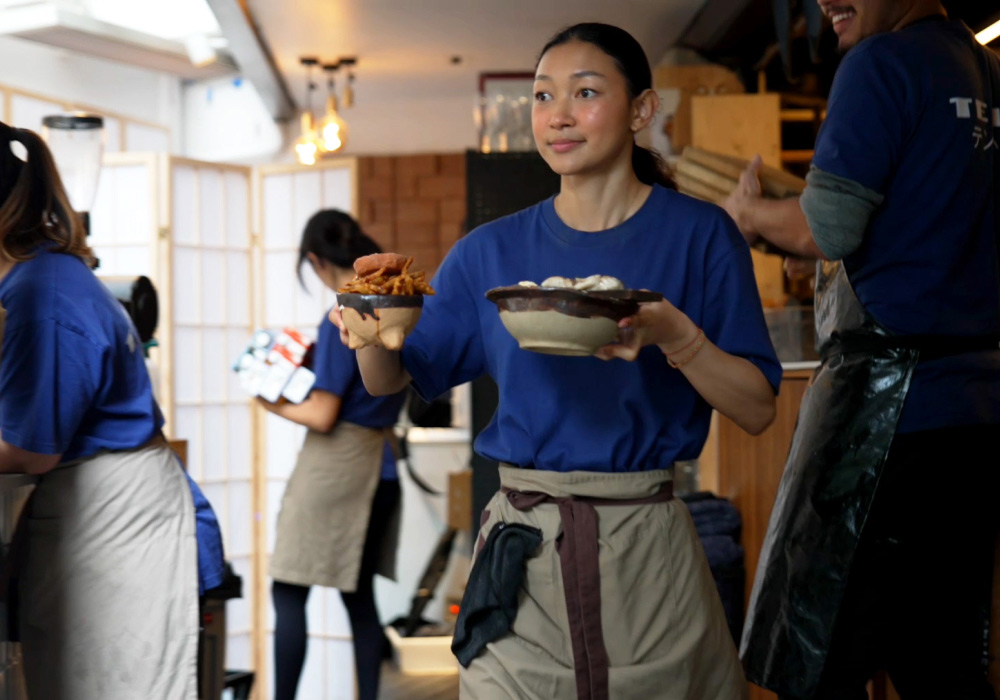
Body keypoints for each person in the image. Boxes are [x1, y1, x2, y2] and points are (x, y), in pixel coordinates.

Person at [332, 23, 782, 700]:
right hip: (522, 555)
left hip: (647, 555)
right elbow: (399, 375)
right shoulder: (489, 252)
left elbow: (756, 406)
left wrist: (674, 335)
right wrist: (372, 333)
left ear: (641, 110)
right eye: (543, 97)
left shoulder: (700, 235)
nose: (558, 115)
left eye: (586, 92)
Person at [722, 2, 1000, 698]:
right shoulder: (989, 73)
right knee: (945, 661)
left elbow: (831, 227)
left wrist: (748, 216)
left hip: (889, 420)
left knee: (820, 659)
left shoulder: (880, 64)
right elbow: (931, 229)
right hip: (979, 411)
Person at [0, 121, 225, 699]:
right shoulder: (44, 275)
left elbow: (31, 448)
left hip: (119, 523)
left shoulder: (39, 296)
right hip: (109, 515)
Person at [261, 209, 406, 700]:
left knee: (288, 589)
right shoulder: (390, 302)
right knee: (359, 597)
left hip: (338, 467)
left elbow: (323, 413)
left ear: (315, 260)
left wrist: (271, 400)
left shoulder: (339, 316)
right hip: (383, 465)